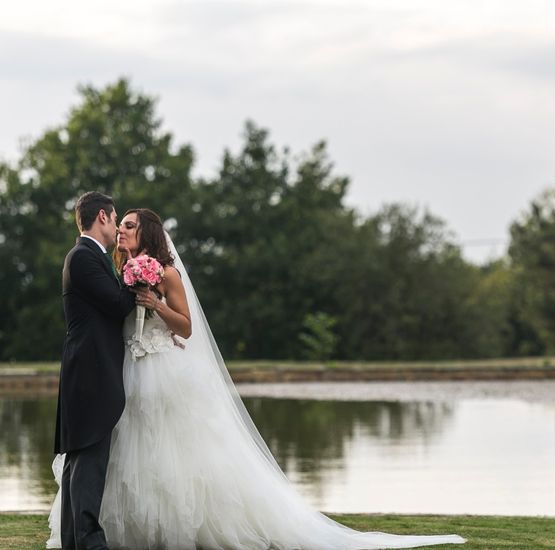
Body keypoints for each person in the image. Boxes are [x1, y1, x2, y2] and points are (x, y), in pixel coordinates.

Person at [47, 207, 466, 549]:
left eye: (129, 225)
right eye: (118, 224)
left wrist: (154, 304)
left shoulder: (164, 272)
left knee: (171, 450)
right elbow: (116, 312)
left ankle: (178, 527)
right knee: (129, 453)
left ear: (149, 233)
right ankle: (118, 532)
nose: (121, 231)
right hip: (128, 371)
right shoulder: (116, 269)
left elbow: (185, 327)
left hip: (160, 372)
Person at [54, 192, 137, 550]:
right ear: (101, 216)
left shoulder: (90, 256)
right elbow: (119, 304)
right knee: (88, 462)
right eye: (116, 217)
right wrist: (141, 276)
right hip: (90, 373)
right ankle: (89, 541)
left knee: (81, 460)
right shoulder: (85, 258)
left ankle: (75, 541)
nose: (118, 225)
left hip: (87, 371)